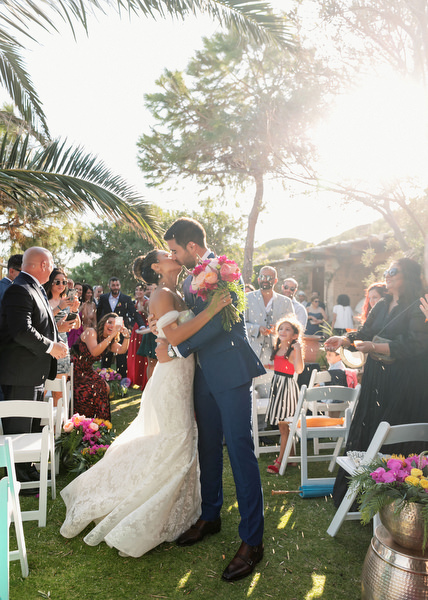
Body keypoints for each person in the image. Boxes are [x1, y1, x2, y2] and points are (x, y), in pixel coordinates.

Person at [60, 249, 231, 558]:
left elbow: (172, 334)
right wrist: (212, 311)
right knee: (177, 439)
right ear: (156, 266)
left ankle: (180, 506)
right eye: (167, 253)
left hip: (182, 372)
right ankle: (146, 507)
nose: (173, 254)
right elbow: (175, 337)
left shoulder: (178, 292)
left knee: (177, 439)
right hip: (172, 377)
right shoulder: (162, 293)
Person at [161, 217, 265, 582]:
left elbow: (223, 322)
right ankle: (210, 515)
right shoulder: (188, 278)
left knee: (239, 450)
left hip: (231, 371)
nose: (174, 256)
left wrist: (180, 348)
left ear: (191, 246)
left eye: (175, 250)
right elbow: (195, 316)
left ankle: (252, 541)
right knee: (207, 446)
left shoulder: (225, 270)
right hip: (203, 374)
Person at [325, 258, 428, 507]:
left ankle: (394, 503)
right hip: (376, 380)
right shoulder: (382, 303)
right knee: (371, 428)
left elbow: (415, 345)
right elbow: (365, 334)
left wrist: (374, 347)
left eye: (393, 271)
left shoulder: (418, 305)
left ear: (408, 276)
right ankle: (363, 499)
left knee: (395, 434)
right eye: (386, 271)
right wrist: (344, 340)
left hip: (404, 382)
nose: (387, 275)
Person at [0, 247, 68, 486]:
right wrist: (51, 347)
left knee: (28, 427)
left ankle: (27, 470)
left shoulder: (33, 288)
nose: (52, 268)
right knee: (18, 429)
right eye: (51, 263)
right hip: (20, 374)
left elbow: (40, 325)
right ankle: (17, 478)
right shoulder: (19, 289)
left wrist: (56, 338)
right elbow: (21, 331)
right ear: (43, 265)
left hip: (33, 372)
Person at [71, 313, 130, 420]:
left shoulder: (108, 340)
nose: (111, 326)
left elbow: (122, 350)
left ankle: (99, 421)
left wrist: (126, 336)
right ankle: (84, 420)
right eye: (109, 322)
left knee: (104, 387)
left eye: (114, 324)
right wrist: (112, 335)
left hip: (87, 370)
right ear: (103, 323)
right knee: (95, 389)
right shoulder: (91, 332)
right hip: (75, 369)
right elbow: (94, 352)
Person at [245, 266, 294, 396]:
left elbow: (293, 327)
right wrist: (257, 328)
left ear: (275, 280)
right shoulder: (247, 298)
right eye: (262, 277)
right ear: (258, 279)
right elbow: (240, 324)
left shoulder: (286, 302)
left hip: (276, 355)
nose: (265, 280)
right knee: (250, 396)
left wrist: (279, 329)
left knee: (273, 395)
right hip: (252, 354)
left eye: (269, 277)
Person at [265, 317, 304, 474]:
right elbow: (278, 366)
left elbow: (299, 369)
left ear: (295, 335)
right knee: (283, 426)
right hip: (277, 386)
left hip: (287, 389)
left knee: (284, 426)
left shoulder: (292, 351)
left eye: (287, 329)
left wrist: (298, 350)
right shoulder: (278, 348)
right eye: (281, 328)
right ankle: (291, 457)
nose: (283, 331)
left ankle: (280, 460)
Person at [44, 268, 81, 405]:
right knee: (41, 391)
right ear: (50, 282)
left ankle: (57, 419)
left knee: (58, 393)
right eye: (57, 281)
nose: (61, 285)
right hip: (46, 348)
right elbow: (43, 320)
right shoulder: (44, 300)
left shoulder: (66, 301)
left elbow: (77, 325)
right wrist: (59, 307)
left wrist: (74, 310)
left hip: (62, 349)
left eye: (64, 282)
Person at [96, 277, 145, 378]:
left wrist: (142, 325)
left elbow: (134, 313)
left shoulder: (126, 299)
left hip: (121, 333)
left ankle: (122, 381)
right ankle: (103, 380)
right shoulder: (103, 298)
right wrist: (99, 328)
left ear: (120, 286)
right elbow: (98, 314)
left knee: (122, 359)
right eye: (113, 285)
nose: (115, 287)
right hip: (106, 333)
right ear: (109, 286)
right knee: (106, 358)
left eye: (117, 285)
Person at [126, 284, 148, 389]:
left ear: (144, 292)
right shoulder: (135, 303)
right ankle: (134, 379)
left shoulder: (146, 303)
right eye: (136, 290)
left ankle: (143, 379)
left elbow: (150, 316)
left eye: (140, 290)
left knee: (143, 355)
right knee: (134, 354)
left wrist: (144, 312)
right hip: (135, 330)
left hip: (144, 330)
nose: (138, 292)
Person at [136, 282, 158, 381]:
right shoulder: (149, 302)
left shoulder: (163, 299)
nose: (151, 291)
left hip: (160, 332)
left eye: (154, 289)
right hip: (150, 333)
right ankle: (150, 385)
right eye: (150, 289)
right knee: (151, 362)